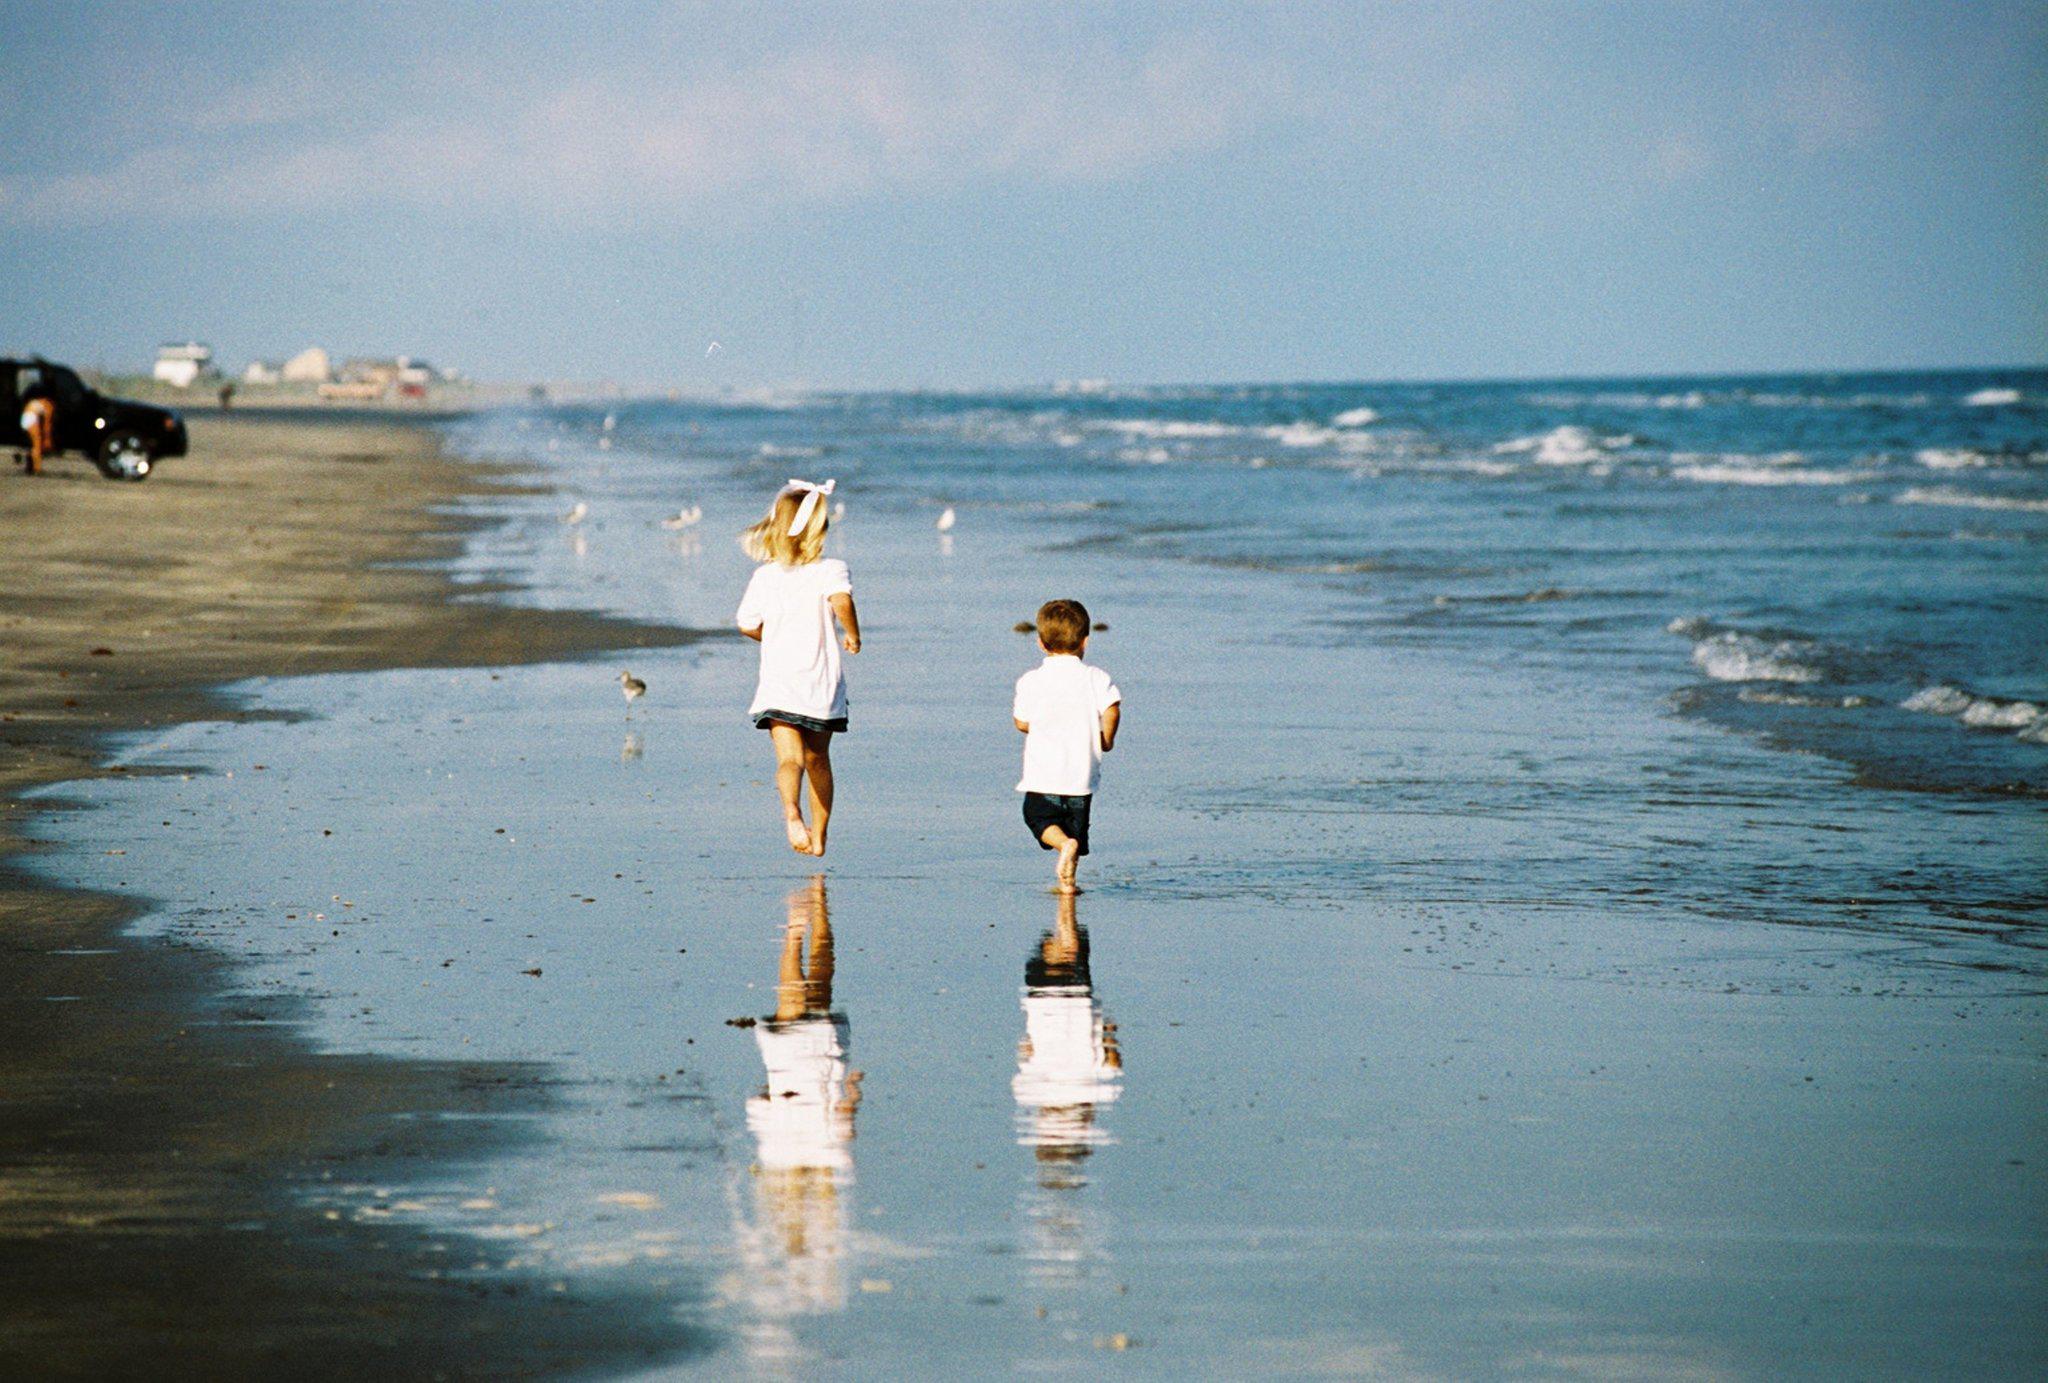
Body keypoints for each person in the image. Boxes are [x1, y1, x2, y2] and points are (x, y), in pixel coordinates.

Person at [737, 478, 861, 856]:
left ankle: (791, 813)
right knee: (818, 759)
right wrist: (852, 634)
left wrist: (772, 637)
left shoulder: (765, 576)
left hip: (779, 685)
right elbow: (841, 602)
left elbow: (746, 623)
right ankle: (820, 836)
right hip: (819, 686)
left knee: (789, 760)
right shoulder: (832, 569)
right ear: (818, 529)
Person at [1012, 598, 1121, 893]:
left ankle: (1064, 846)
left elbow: (1022, 722)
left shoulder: (1032, 680)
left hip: (1043, 775)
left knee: (1038, 817)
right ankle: (1069, 880)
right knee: (1076, 828)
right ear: (1085, 641)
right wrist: (1106, 739)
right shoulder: (1096, 677)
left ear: (1040, 643)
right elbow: (1112, 707)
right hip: (1081, 777)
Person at [19, 394, 55, 475]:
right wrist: (47, 439)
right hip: (31, 417)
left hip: (25, 417)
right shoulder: (49, 406)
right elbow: (47, 424)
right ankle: (37, 468)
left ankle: (30, 465)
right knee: (37, 445)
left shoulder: (36, 402)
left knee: (33, 444)